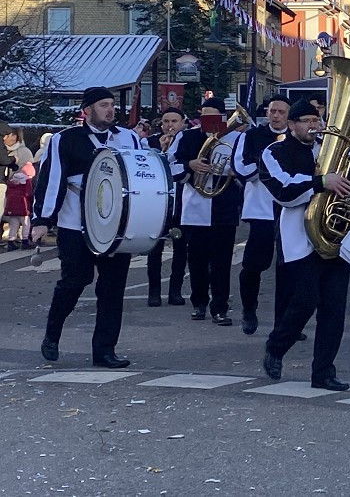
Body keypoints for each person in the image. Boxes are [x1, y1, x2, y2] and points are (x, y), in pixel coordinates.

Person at [33, 87, 140, 367]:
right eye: (103, 105)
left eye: (112, 105)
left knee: (112, 289)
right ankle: (52, 334)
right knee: (75, 281)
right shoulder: (64, 139)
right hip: (74, 225)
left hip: (117, 225)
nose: (110, 110)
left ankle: (104, 351)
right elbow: (52, 179)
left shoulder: (129, 138)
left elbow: (142, 178)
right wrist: (42, 220)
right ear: (88, 110)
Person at [259, 101, 350, 390]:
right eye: (307, 120)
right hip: (299, 237)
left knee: (335, 307)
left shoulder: (331, 148)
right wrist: (322, 181)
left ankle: (323, 372)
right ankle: (276, 346)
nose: (314, 125)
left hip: (336, 234)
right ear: (292, 124)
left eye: (317, 119)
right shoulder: (275, 151)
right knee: (305, 301)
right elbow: (282, 189)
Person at [170, 98, 243, 326]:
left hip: (224, 206)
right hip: (195, 206)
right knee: (197, 260)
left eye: (214, 117)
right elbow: (171, 162)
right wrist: (190, 166)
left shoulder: (237, 138)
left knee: (222, 262)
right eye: (205, 117)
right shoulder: (188, 136)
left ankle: (220, 307)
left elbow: (244, 167)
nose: (208, 121)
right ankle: (199, 303)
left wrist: (226, 170)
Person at [232, 95, 292, 335]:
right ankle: (249, 309)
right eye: (272, 111)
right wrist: (265, 163)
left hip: (291, 209)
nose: (275, 115)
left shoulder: (297, 138)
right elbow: (240, 168)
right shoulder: (250, 136)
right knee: (254, 266)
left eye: (280, 112)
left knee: (289, 268)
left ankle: (285, 323)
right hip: (261, 210)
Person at [145, 107, 189, 306]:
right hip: (156, 203)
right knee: (155, 249)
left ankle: (175, 291)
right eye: (166, 121)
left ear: (182, 124)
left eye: (174, 121)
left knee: (180, 249)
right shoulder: (150, 142)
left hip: (179, 202)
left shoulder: (187, 142)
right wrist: (160, 150)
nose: (169, 125)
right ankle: (154, 292)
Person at [3, 127, 35, 250]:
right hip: (22, 201)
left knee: (13, 221)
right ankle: (24, 239)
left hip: (10, 193)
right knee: (24, 222)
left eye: (11, 135)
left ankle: (12, 240)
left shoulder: (24, 151)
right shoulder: (3, 150)